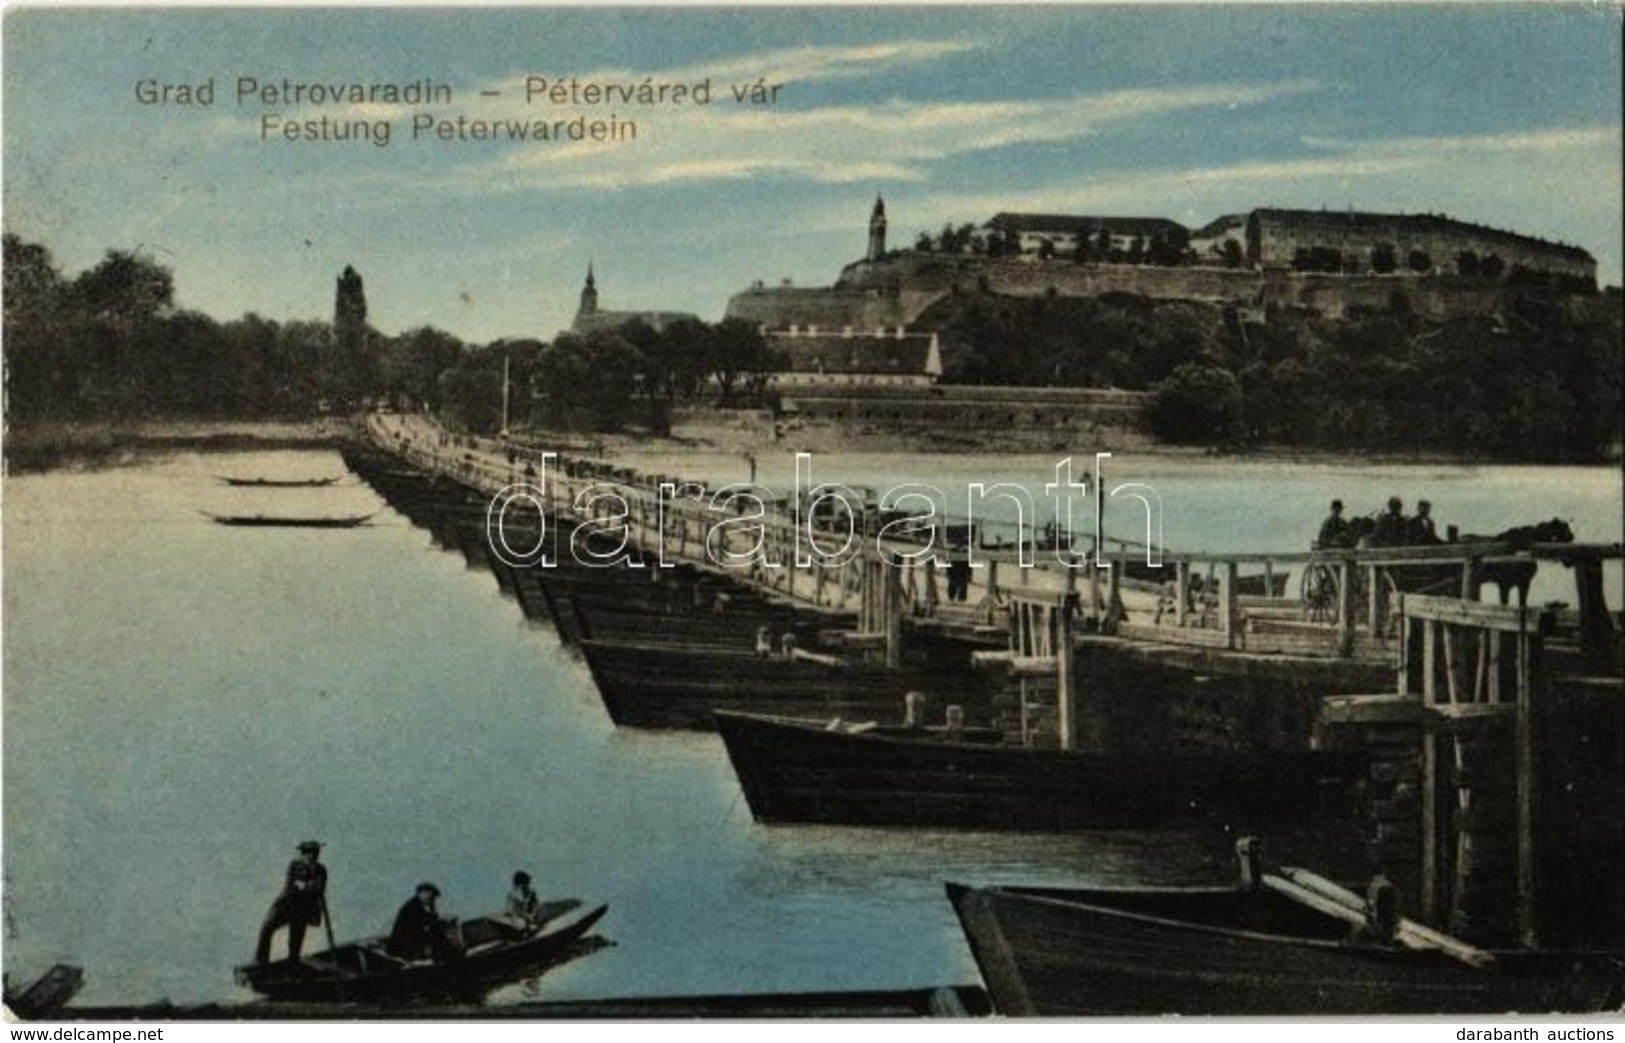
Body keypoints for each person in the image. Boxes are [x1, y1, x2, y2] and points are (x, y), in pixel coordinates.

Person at [254, 841, 327, 964]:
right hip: (287, 905)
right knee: (266, 928)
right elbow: (290, 886)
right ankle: (261, 962)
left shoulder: (321, 870)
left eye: (316, 853)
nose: (314, 856)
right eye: (310, 853)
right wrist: (306, 887)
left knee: (295, 943)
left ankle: (292, 966)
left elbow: (319, 887)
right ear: (304, 854)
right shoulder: (294, 865)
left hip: (304, 910)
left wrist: (304, 885)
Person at [388, 882, 460, 962]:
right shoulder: (412, 907)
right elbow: (416, 930)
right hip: (403, 947)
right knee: (436, 941)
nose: (432, 900)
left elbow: (430, 922)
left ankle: (454, 955)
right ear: (423, 893)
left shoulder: (417, 905)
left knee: (438, 937)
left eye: (433, 898)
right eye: (431, 897)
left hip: (410, 944)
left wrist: (434, 911)